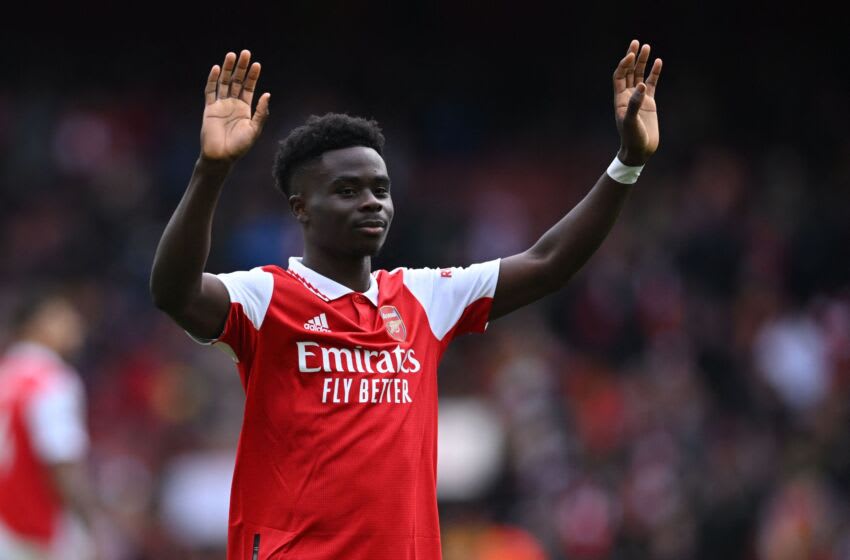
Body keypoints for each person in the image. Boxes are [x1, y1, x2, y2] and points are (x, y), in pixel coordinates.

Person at [150, 39, 662, 559]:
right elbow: (174, 292)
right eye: (348, 190)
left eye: (381, 188)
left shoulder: (422, 297)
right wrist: (210, 171)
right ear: (302, 208)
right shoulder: (267, 297)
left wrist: (627, 163)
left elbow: (548, 262)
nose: (372, 201)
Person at [0, 290, 103, 559]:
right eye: (62, 315)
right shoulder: (51, 380)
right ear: (35, 324)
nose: (74, 323)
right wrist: (93, 528)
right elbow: (61, 462)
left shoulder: (5, 375)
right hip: (38, 534)